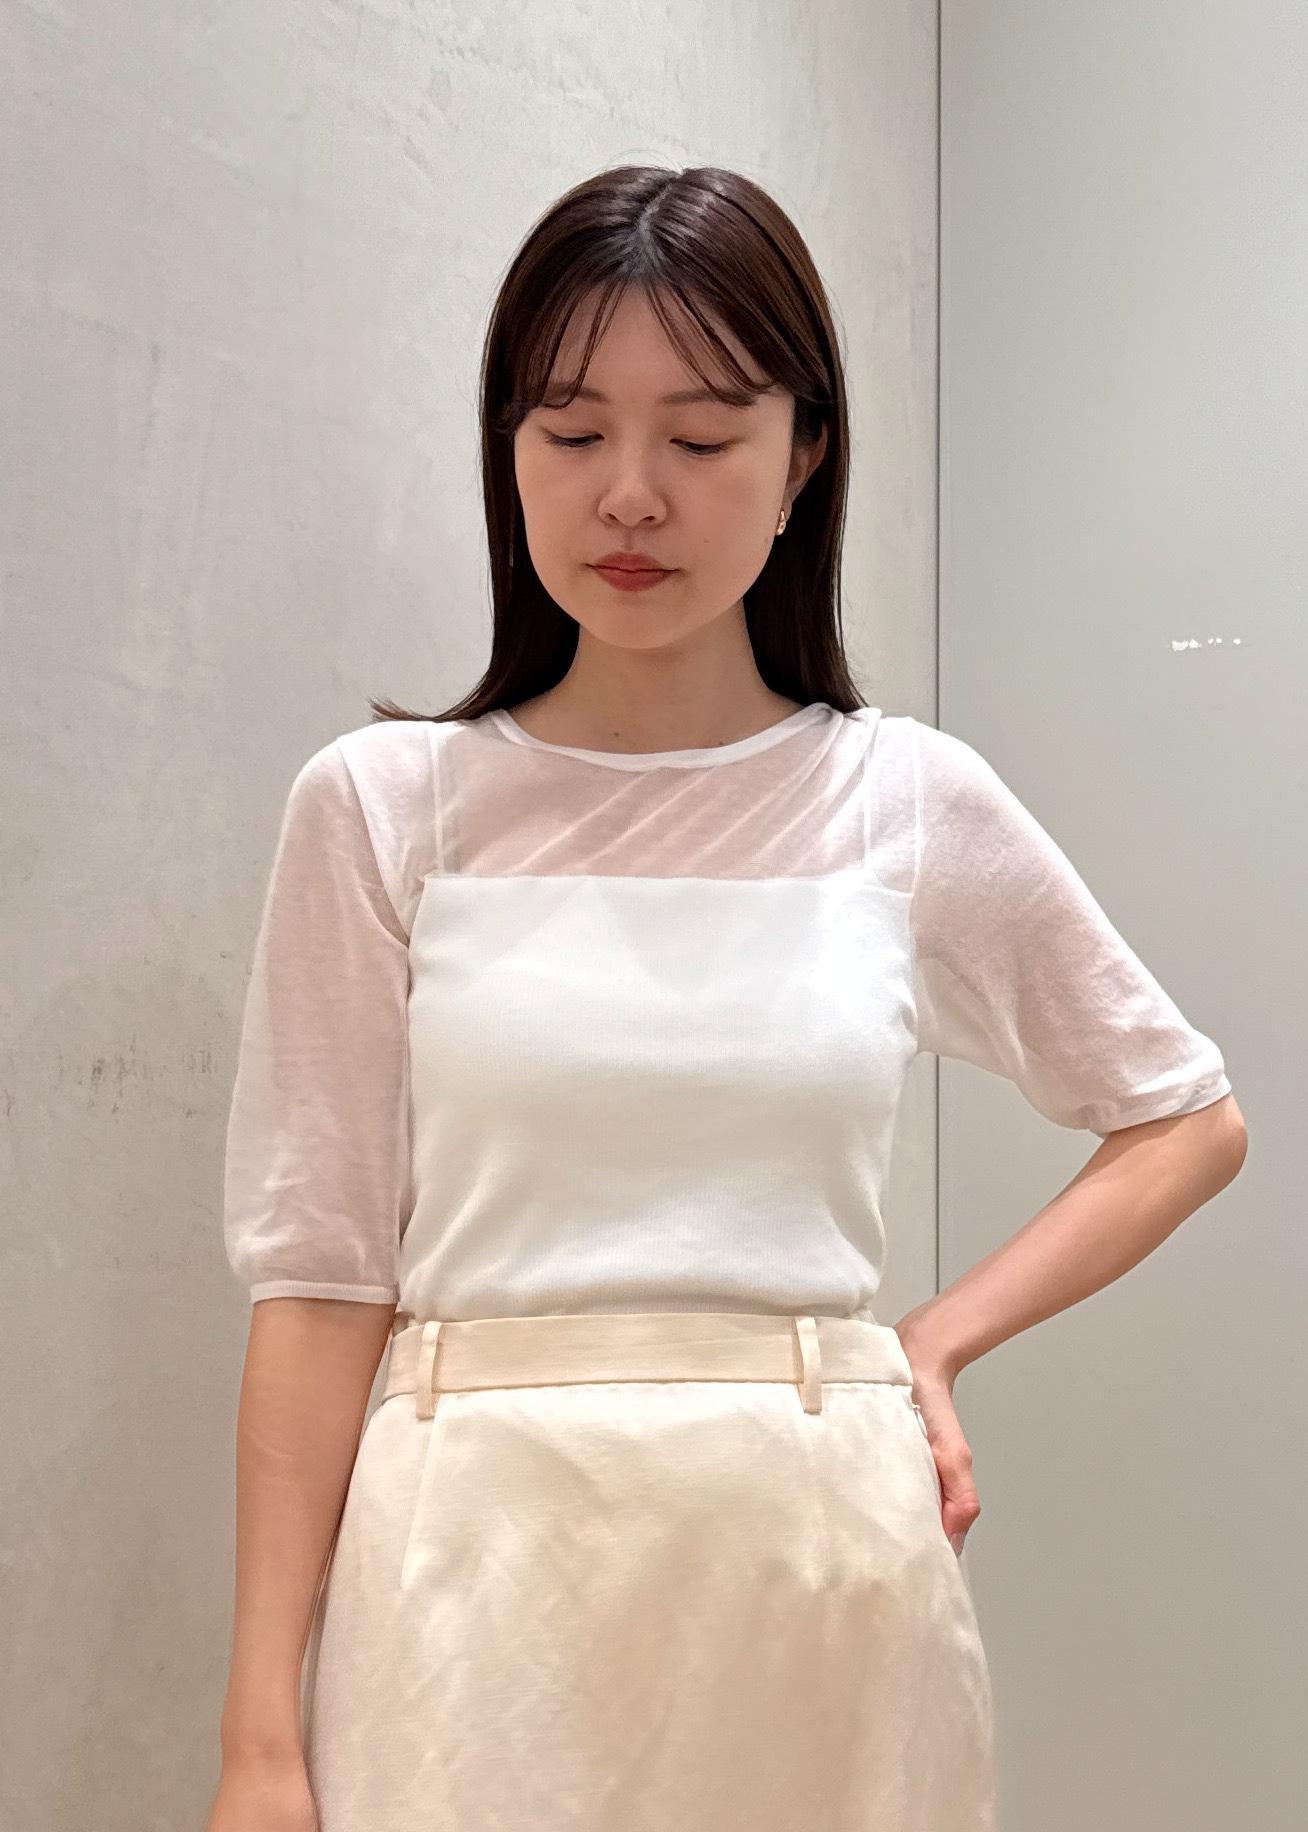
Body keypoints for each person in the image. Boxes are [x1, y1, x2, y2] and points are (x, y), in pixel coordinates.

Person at [206, 165, 1247, 1832]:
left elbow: (1185, 1120)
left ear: (802, 454)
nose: (630, 496)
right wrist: (260, 1738)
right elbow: (322, 1283)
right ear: (507, 449)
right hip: (464, 1569)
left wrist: (930, 1344)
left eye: (699, 440)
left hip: (814, 1562)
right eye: (569, 432)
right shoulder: (385, 809)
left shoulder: (903, 801)